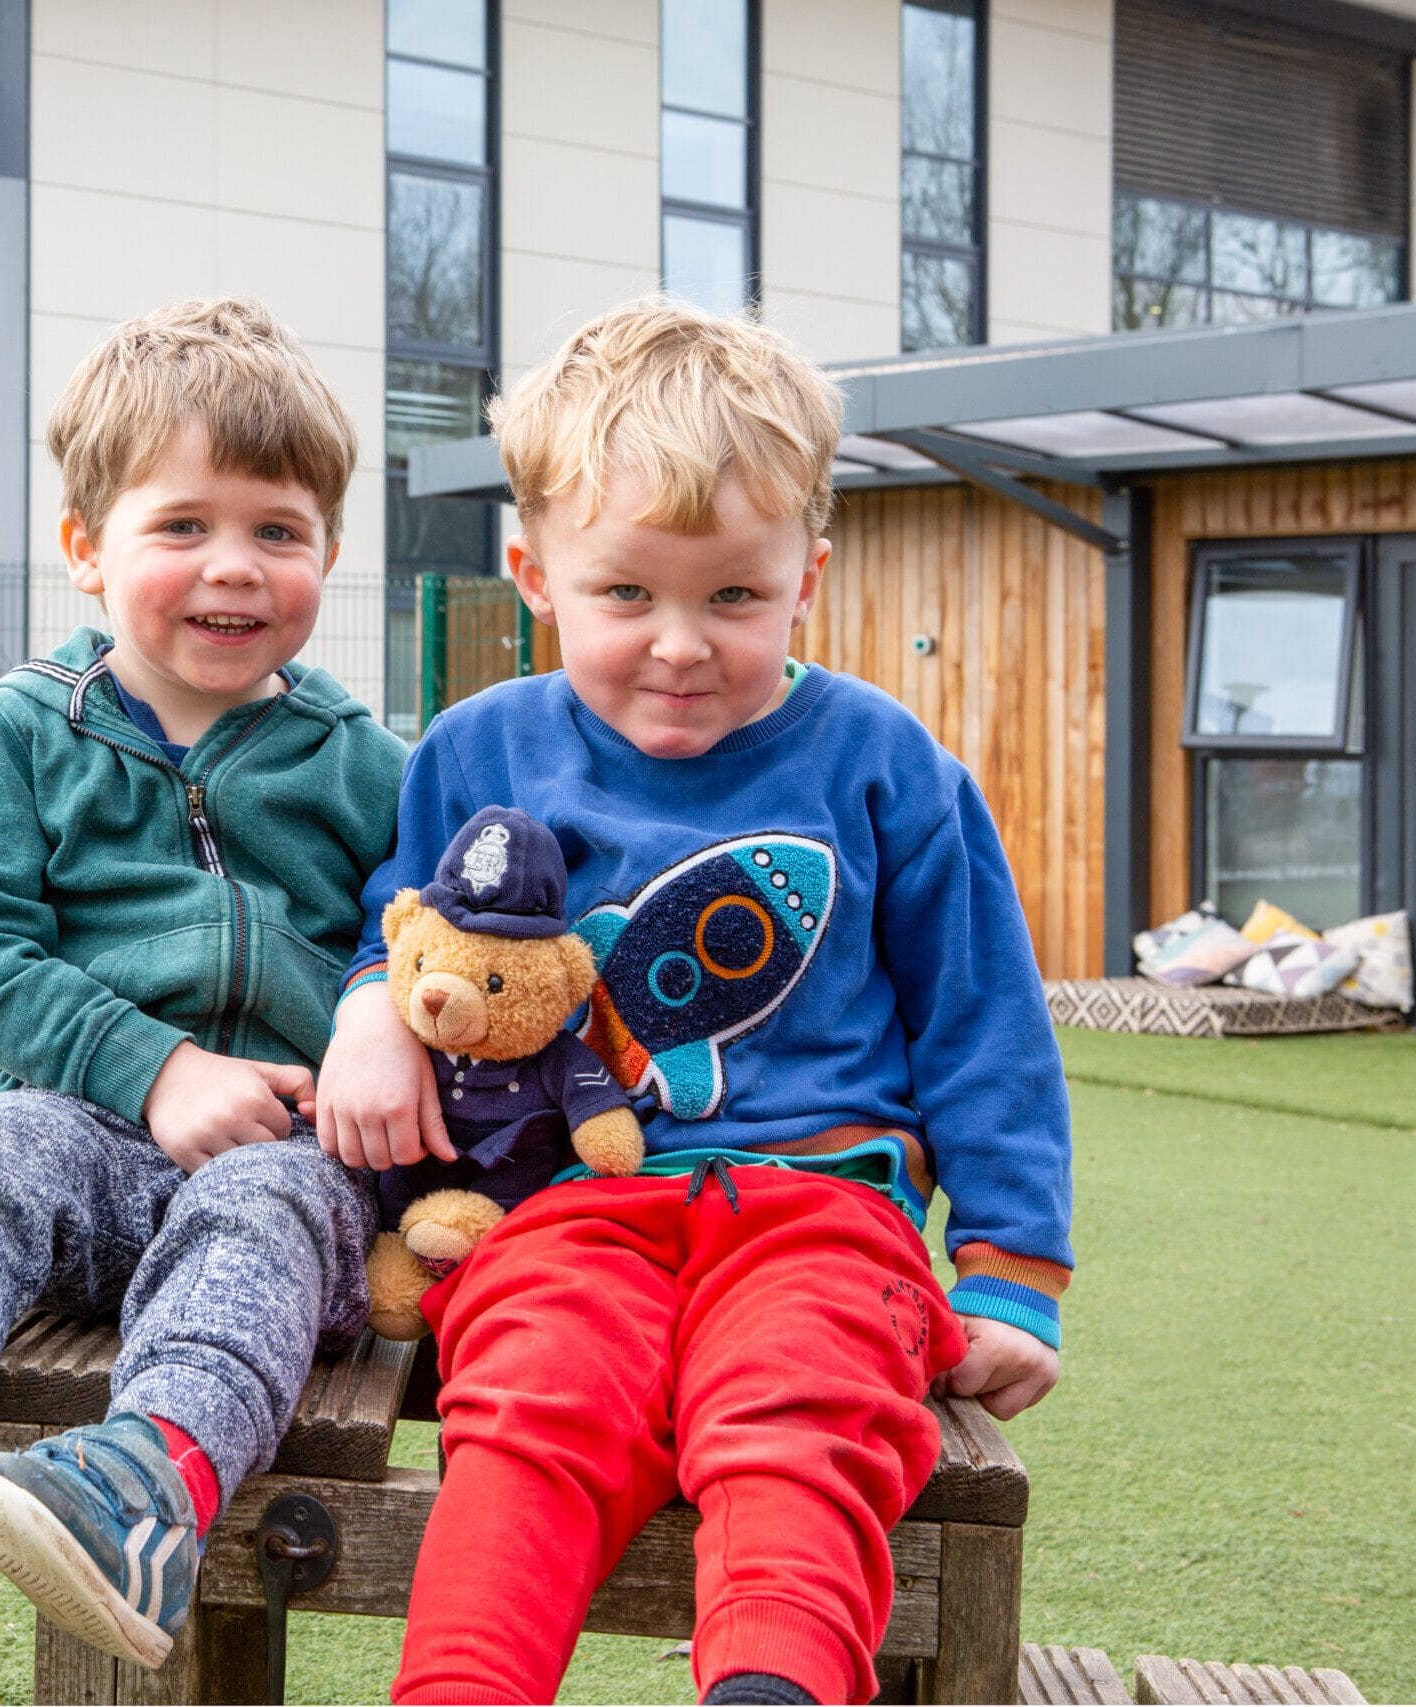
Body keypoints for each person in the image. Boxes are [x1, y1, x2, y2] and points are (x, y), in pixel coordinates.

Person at [316, 298, 1074, 1707]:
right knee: (527, 1411)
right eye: (626, 595)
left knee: (798, 1412)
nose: (680, 644)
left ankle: (771, 1687)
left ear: (808, 578)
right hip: (567, 1209)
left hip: (825, 1213)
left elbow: (984, 1023)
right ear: (533, 572)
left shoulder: (886, 764)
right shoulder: (477, 750)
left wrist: (1014, 1269)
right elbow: (408, 928)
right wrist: (370, 1005)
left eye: (732, 595)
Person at [0, 297, 404, 1672]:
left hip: (291, 1158)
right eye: (183, 527)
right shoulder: (24, 736)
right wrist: (154, 1069)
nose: (235, 567)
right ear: (87, 550)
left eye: (278, 531)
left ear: (329, 549)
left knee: (263, 1209)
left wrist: (366, 1025)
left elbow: (417, 942)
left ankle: (145, 1487)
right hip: (86, 1141)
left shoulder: (363, 761)